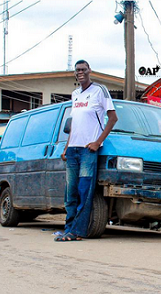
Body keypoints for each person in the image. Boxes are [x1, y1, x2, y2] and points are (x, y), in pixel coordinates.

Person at [55, 60, 118, 241]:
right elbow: (73, 124)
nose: (80, 72)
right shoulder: (75, 94)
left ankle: (78, 232)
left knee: (84, 191)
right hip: (73, 150)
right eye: (77, 70)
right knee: (70, 193)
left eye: (83, 69)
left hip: (88, 151)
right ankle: (69, 229)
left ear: (90, 70)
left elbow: (113, 118)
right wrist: (66, 147)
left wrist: (98, 142)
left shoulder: (100, 90)